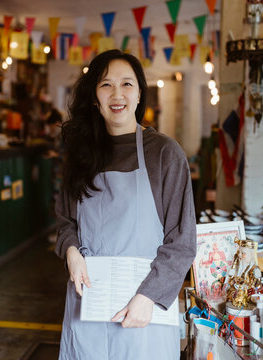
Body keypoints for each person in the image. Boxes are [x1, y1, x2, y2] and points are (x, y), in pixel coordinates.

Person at [55, 49, 196, 359]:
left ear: (140, 93)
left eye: (127, 84)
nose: (116, 94)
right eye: (106, 85)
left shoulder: (165, 154)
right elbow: (66, 223)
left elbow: (182, 241)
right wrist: (71, 252)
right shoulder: (80, 155)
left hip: (144, 309)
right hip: (88, 302)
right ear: (94, 96)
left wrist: (148, 297)